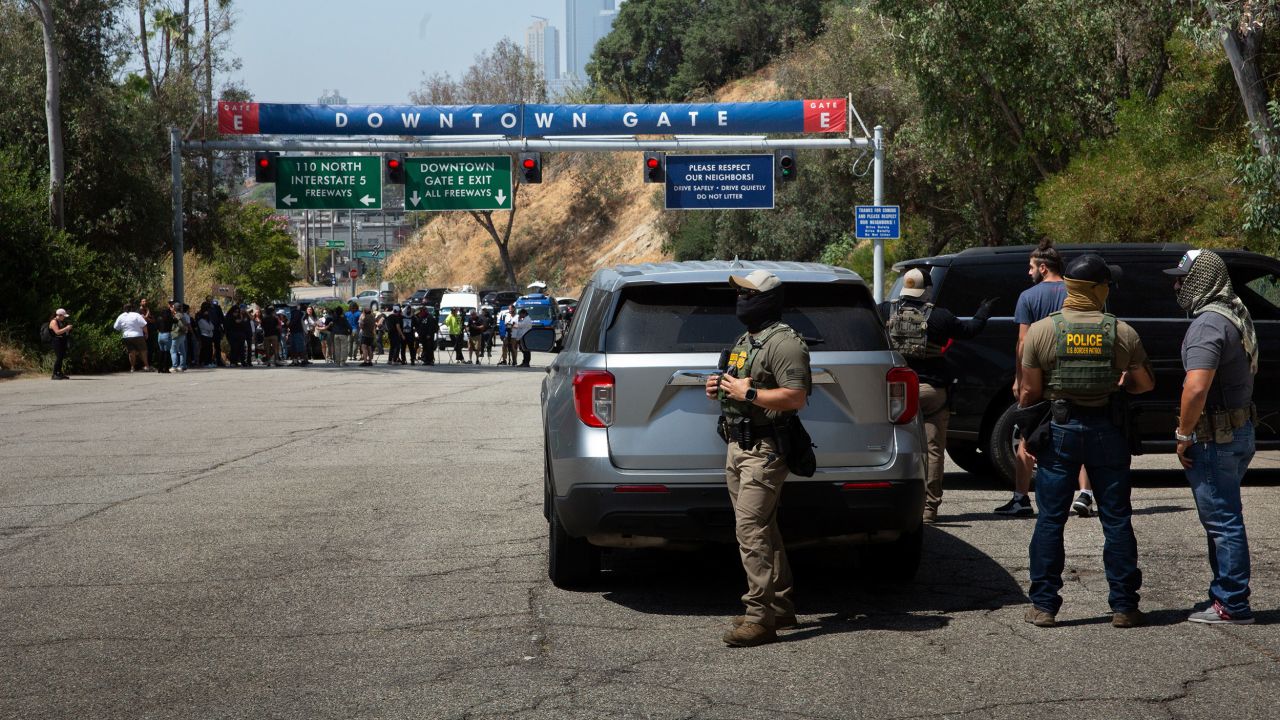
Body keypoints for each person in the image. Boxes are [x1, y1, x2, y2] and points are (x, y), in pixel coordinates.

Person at [1018, 254, 1155, 629]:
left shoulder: (1043, 332)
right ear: (1096, 290)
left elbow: (1029, 393)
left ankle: (1044, 606)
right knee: (1116, 519)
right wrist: (1122, 380)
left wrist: (1025, 435)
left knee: (1050, 520)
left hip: (1059, 433)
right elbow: (1145, 384)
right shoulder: (1121, 332)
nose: (1109, 288)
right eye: (1107, 283)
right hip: (1108, 432)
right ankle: (1124, 607)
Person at [702, 269, 811, 647]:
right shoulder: (747, 340)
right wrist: (719, 386)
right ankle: (780, 607)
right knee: (763, 528)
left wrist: (750, 396)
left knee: (750, 531)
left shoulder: (785, 344)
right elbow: (737, 381)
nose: (742, 300)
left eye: (749, 294)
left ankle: (759, 618)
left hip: (765, 450)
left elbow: (795, 397)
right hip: (737, 445)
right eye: (740, 293)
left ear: (768, 299)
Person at [1165, 250, 1259, 625]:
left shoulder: (1207, 324)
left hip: (1215, 438)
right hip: (1239, 431)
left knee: (1223, 520)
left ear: (1201, 279)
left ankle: (1232, 603)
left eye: (1182, 278)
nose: (1176, 285)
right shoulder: (1235, 314)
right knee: (1226, 517)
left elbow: (1196, 388)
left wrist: (1183, 434)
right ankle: (1225, 593)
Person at [879, 268, 994, 523]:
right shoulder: (940, 317)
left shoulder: (885, 311)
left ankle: (890, 505)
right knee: (933, 450)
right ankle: (930, 508)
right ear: (926, 290)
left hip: (897, 393)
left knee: (889, 448)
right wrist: (983, 311)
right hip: (932, 392)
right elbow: (970, 330)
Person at [996, 240, 1095, 518]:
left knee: (1028, 435)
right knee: (1081, 433)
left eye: (1031, 267)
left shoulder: (1028, 297)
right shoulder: (1077, 293)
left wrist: (1019, 379)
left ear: (1042, 267)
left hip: (1039, 377)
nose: (1029, 273)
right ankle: (1085, 495)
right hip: (1074, 376)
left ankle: (1021, 498)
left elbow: (1023, 342)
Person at [113, 303, 152, 372]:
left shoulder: (121, 316)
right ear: (132, 308)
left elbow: (116, 327)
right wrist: (146, 333)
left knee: (131, 352)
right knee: (143, 351)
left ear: (124, 309)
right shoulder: (136, 315)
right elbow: (144, 325)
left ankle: (132, 367)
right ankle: (147, 366)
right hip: (138, 335)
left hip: (126, 336)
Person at [48, 308, 72, 380]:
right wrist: (66, 328)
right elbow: (57, 332)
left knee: (61, 357)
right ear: (59, 315)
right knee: (59, 357)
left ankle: (59, 373)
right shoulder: (53, 322)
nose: (64, 317)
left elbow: (62, 331)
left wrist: (68, 330)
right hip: (56, 341)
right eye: (63, 316)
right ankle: (54, 374)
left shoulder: (60, 321)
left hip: (61, 340)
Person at [169, 303, 190, 372]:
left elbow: (180, 324)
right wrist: (186, 330)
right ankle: (182, 366)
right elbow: (185, 323)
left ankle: (174, 366)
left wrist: (184, 329)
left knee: (173, 351)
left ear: (174, 308)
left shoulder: (177, 315)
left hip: (177, 334)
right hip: (182, 335)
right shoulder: (182, 314)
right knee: (182, 351)